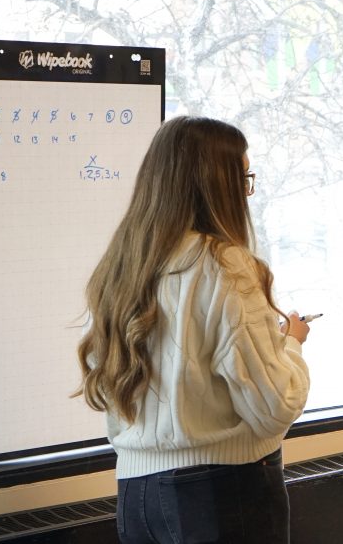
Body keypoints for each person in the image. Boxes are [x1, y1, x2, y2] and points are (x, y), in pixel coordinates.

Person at [75, 116, 311, 544]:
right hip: (222, 493)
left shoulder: (124, 265)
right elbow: (274, 405)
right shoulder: (225, 265)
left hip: (136, 496)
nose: (246, 193)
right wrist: (290, 344)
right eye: (243, 178)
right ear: (218, 185)